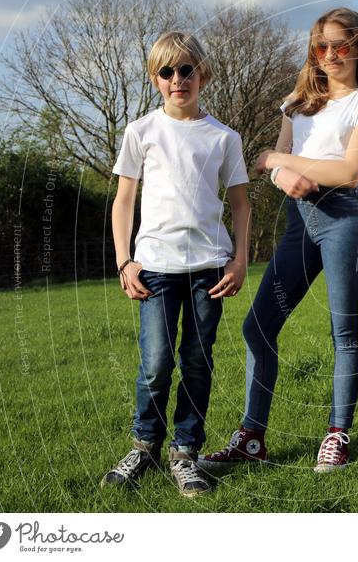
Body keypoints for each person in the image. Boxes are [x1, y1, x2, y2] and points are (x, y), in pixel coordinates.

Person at [199, 7, 358, 474]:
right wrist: (278, 168)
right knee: (258, 326)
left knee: (344, 333)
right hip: (299, 220)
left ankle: (336, 435)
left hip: (347, 218)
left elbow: (349, 171)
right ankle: (251, 439)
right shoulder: (296, 102)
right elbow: (269, 156)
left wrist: (285, 166)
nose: (329, 55)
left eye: (340, 45)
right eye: (320, 46)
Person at [101, 31, 251, 497]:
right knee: (156, 363)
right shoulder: (141, 132)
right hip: (155, 267)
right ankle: (145, 445)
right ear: (155, 79)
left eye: (186, 69)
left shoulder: (223, 137)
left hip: (210, 267)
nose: (177, 79)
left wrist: (240, 260)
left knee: (198, 362)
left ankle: (186, 453)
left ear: (201, 74)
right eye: (166, 72)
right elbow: (124, 200)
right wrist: (125, 260)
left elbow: (242, 205)